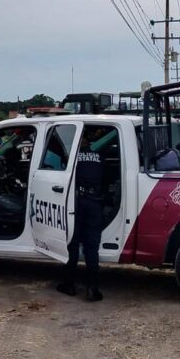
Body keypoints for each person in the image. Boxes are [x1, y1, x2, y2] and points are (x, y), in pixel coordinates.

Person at [58, 126, 108, 302]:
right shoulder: (100, 157)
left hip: (77, 203)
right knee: (91, 248)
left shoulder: (71, 158)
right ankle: (93, 288)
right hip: (95, 202)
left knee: (72, 244)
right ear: (89, 141)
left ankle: (69, 285)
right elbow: (106, 178)